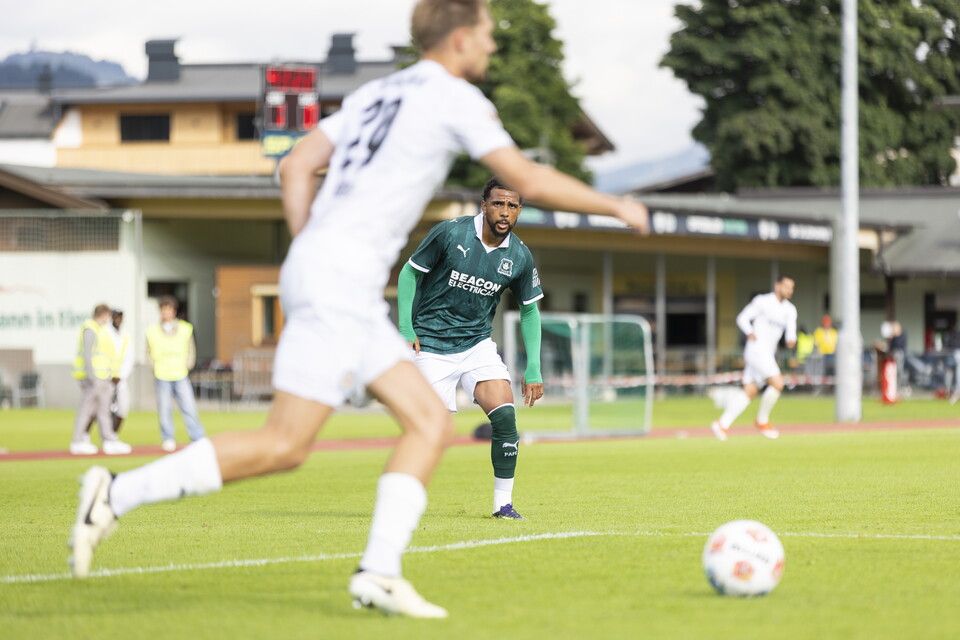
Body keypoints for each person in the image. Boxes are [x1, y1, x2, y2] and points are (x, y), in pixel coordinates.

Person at [68, 0, 649, 619]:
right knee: (294, 442)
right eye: (486, 35)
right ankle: (120, 492)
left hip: (324, 275)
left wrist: (309, 245)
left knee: (406, 428)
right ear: (458, 38)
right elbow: (525, 178)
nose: (492, 48)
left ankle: (376, 570)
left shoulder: (378, 92)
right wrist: (619, 208)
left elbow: (296, 164)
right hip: (340, 283)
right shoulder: (452, 97)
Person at [398, 177, 543, 520]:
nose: (504, 211)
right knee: (430, 433)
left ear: (519, 210)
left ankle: (502, 505)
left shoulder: (520, 256)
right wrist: (406, 327)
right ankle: (402, 500)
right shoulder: (451, 233)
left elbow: (530, 310)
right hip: (431, 346)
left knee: (506, 417)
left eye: (511, 205)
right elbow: (409, 273)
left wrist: (533, 367)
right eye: (497, 203)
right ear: (484, 205)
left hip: (476, 344)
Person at [710, 275, 797, 440]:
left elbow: (791, 331)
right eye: (786, 286)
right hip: (756, 350)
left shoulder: (790, 310)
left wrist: (791, 340)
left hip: (768, 353)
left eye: (791, 288)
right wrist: (749, 332)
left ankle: (722, 424)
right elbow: (742, 318)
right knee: (778, 383)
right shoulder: (762, 301)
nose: (789, 290)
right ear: (777, 285)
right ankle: (761, 421)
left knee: (750, 391)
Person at [146, 295, 206, 452]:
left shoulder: (185, 328)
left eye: (168, 309)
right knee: (164, 409)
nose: (166, 312)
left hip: (180, 373)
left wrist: (188, 365)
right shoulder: (152, 330)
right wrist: (153, 366)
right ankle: (168, 438)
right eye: (163, 309)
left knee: (189, 407)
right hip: (162, 374)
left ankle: (198, 437)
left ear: (173, 311)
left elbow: (191, 349)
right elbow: (147, 351)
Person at [70, 304, 132, 455]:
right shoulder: (90, 328)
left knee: (104, 410)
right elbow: (88, 354)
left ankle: (109, 440)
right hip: (94, 377)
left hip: (104, 376)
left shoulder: (101, 330)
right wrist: (91, 376)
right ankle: (78, 441)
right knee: (88, 409)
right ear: (103, 314)